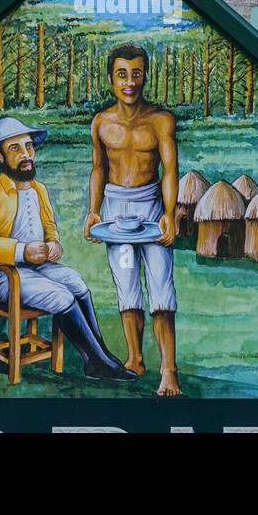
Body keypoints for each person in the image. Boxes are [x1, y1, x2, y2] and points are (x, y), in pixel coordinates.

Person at [0, 116, 137, 383]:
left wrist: (54, 244)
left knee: (77, 284)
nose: (26, 155)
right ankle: (98, 362)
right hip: (4, 276)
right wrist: (21, 251)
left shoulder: (39, 190)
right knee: (60, 296)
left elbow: (49, 226)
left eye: (29, 147)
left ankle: (98, 356)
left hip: (40, 268)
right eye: (16, 149)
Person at [84, 43, 183, 396]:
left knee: (161, 289)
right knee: (127, 287)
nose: (130, 82)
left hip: (151, 208)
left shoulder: (160, 120)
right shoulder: (101, 122)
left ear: (145, 76)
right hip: (115, 211)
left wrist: (169, 214)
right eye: (122, 74)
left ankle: (168, 370)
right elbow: (98, 169)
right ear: (111, 78)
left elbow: (170, 171)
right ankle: (135, 359)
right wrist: (93, 211)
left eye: (136, 74)